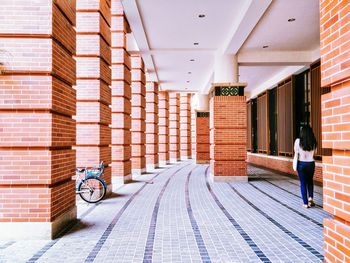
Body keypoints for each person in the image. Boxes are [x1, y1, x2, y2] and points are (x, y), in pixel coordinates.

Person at [294, 125, 317, 208]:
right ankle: (310, 197)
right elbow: (315, 153)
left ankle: (305, 203)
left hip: (301, 164)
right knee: (310, 181)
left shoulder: (298, 141)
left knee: (303, 183)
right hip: (311, 163)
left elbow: (296, 152)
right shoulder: (313, 141)